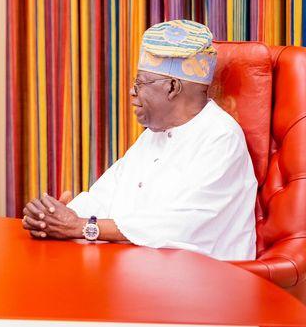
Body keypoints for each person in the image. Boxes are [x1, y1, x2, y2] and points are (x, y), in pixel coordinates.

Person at [22, 19, 257, 260]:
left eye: (140, 83)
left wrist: (82, 226)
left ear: (172, 87)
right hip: (143, 272)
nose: (132, 92)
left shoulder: (220, 137)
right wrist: (55, 217)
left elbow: (179, 225)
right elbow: (104, 197)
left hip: (206, 281)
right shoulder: (154, 135)